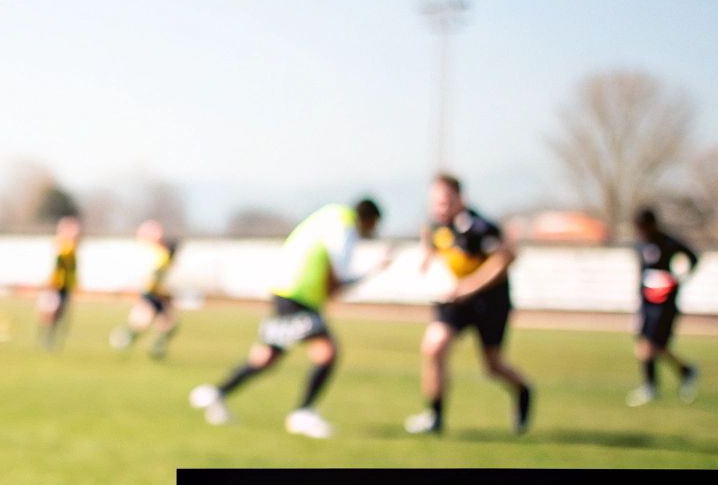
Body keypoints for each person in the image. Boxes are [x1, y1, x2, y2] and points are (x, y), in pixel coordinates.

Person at [190, 198, 382, 439]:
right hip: (298, 296)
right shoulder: (344, 226)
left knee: (268, 356)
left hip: (285, 290)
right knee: (327, 352)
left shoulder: (329, 216)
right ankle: (303, 414)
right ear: (370, 220)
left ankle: (216, 393)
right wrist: (374, 271)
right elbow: (338, 278)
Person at [404, 175, 534, 436]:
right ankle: (435, 417)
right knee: (434, 346)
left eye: (445, 201)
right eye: (435, 202)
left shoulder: (479, 226)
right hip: (455, 301)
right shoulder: (436, 227)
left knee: (493, 365)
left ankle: (523, 390)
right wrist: (426, 254)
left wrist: (470, 286)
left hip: (490, 302)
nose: (439, 207)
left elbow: (506, 258)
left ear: (459, 198)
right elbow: (428, 259)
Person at [628, 207, 702, 406]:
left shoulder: (667, 242)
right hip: (647, 302)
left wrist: (678, 278)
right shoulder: (640, 245)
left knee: (652, 346)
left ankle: (654, 386)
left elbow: (693, 257)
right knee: (647, 345)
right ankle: (682, 373)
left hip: (664, 303)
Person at [109, 219, 180, 359]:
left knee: (169, 325)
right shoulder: (158, 255)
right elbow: (152, 277)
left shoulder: (162, 256)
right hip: (152, 294)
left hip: (157, 294)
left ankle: (154, 346)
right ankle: (124, 338)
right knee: (144, 323)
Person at [36, 214, 81, 350]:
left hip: (65, 285)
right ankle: (46, 338)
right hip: (54, 285)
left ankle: (50, 338)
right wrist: (51, 283)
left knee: (60, 313)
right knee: (51, 311)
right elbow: (54, 266)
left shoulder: (72, 248)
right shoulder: (60, 246)